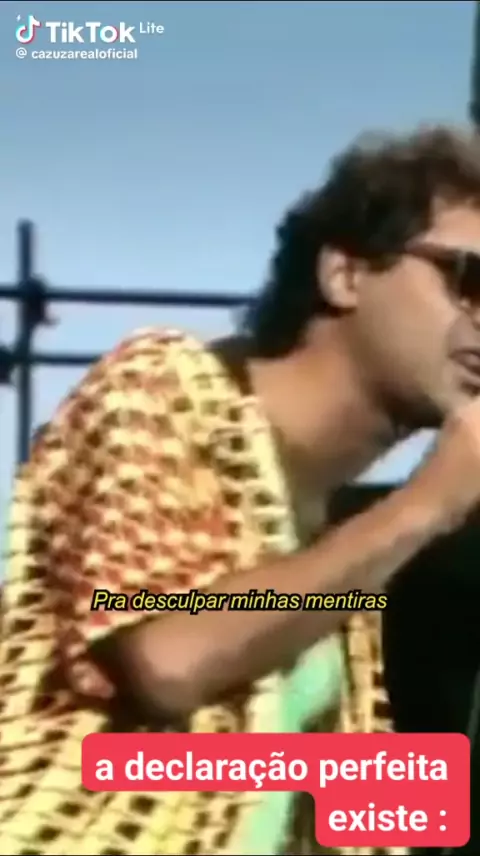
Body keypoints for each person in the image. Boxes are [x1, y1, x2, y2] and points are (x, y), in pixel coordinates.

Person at [2, 125, 480, 856]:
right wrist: (425, 506)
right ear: (344, 275)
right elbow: (168, 657)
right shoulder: (164, 386)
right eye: (469, 281)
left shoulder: (341, 556)